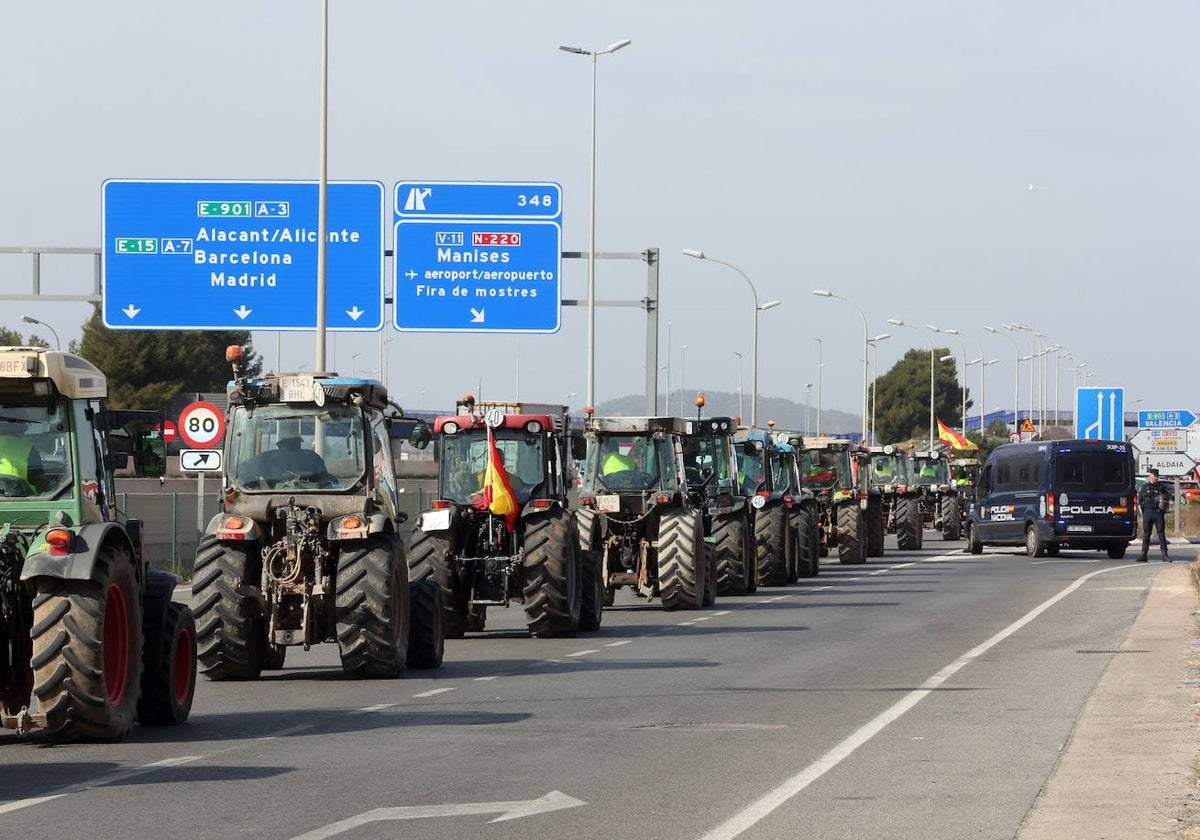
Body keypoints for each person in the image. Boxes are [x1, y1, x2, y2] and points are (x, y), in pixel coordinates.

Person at [1137, 468, 1171, 562]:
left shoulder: (1161, 487)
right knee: (1146, 533)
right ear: (1150, 476)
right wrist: (1143, 511)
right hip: (1148, 512)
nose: (1156, 478)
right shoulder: (1145, 487)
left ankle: (1165, 555)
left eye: (1157, 476)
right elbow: (1140, 500)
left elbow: (1167, 498)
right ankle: (1143, 555)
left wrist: (1163, 507)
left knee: (1161, 533)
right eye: (1154, 475)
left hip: (1158, 512)